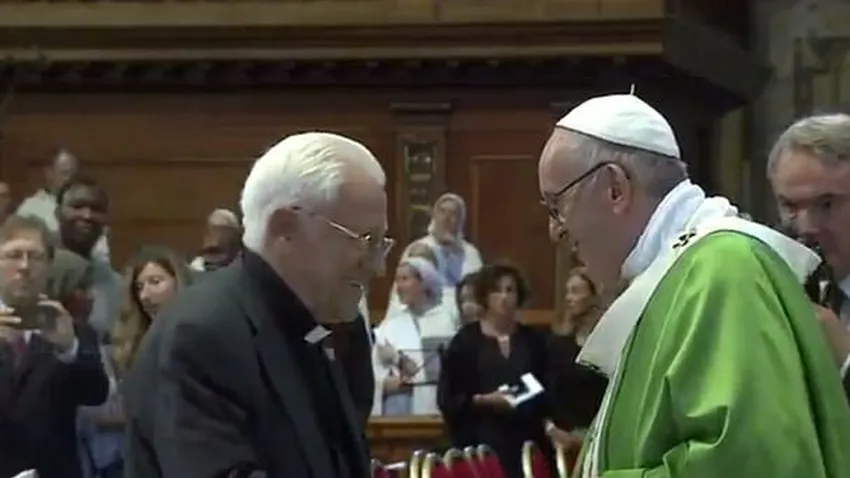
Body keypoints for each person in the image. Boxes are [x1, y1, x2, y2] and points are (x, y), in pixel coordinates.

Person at [537, 94, 850, 478]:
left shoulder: (723, 270)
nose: (555, 231)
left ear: (615, 188)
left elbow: (747, 465)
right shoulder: (678, 273)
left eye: (557, 205)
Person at [123, 132, 390, 478]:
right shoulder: (201, 335)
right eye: (365, 240)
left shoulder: (311, 327)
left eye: (381, 243)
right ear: (285, 228)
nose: (378, 266)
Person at [767, 113, 850, 399]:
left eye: (826, 204)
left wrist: (846, 361)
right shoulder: (790, 284)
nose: (806, 227)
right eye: (789, 207)